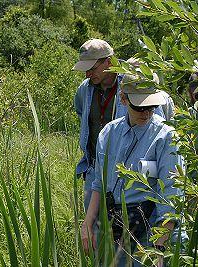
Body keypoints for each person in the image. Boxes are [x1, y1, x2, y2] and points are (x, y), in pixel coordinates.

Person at [81, 73, 184, 266]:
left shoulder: (167, 137)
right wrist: (87, 223)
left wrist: (159, 247)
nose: (146, 113)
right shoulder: (108, 134)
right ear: (123, 99)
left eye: (152, 106)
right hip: (117, 226)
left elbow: (171, 197)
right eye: (139, 107)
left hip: (154, 230)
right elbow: (98, 183)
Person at [73, 39, 175, 211]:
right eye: (85, 70)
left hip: (130, 178)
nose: (87, 74)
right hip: (94, 172)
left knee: (129, 231)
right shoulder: (85, 89)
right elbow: (81, 113)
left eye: (92, 68)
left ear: (108, 61)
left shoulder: (133, 84)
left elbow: (153, 126)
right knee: (95, 231)